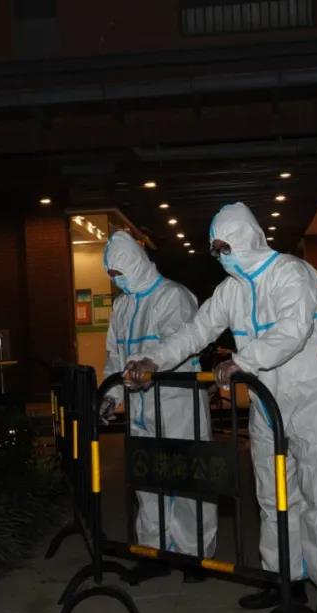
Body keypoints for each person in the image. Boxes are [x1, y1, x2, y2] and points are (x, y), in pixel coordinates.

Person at [123, 202, 317, 613]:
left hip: (313, 398)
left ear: (248, 238)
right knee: (273, 495)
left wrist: (242, 362)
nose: (220, 256)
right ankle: (285, 578)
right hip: (267, 403)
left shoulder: (293, 274)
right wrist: (154, 361)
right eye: (215, 249)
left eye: (224, 246)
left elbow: (293, 331)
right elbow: (196, 330)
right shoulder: (231, 290)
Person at [101, 230, 217, 584]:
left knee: (187, 480)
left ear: (135, 263)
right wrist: (111, 395)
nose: (116, 280)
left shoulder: (173, 297)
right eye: (111, 274)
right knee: (147, 482)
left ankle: (195, 555)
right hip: (141, 408)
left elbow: (176, 344)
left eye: (119, 272)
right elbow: (115, 357)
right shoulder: (122, 307)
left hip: (177, 405)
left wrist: (149, 365)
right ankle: (154, 552)